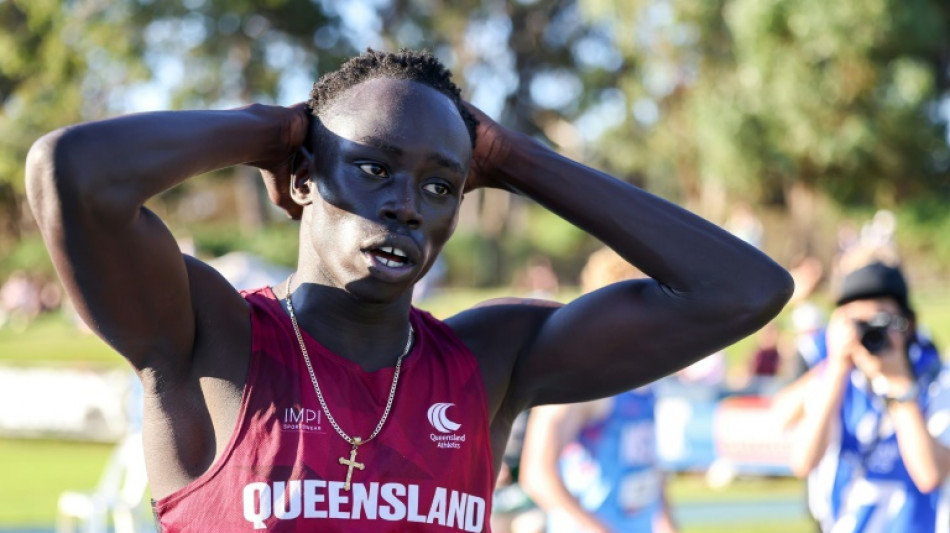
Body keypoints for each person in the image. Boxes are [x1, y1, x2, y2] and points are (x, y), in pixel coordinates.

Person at [25, 48, 791, 531]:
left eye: (441, 184)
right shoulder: (209, 338)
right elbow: (70, 175)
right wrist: (272, 130)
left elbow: (740, 288)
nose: (406, 202)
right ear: (302, 178)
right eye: (372, 167)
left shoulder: (491, 361)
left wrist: (516, 159)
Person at [519, 247, 677, 533]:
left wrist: (667, 523)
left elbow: (647, 465)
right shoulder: (582, 378)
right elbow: (537, 475)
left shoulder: (648, 376)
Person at [788, 261, 950, 532]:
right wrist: (837, 369)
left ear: (906, 325)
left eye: (880, 322)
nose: (869, 334)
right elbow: (803, 461)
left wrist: (899, 383)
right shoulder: (834, 381)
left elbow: (930, 474)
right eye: (857, 323)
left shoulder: (937, 379)